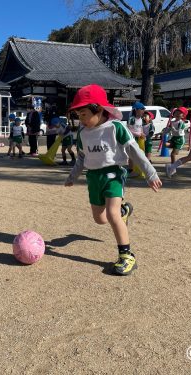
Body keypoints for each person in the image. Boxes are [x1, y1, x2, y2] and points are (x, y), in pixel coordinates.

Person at [64, 85, 162, 276]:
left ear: (99, 109)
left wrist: (150, 173)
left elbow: (135, 150)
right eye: (78, 115)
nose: (80, 119)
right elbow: (82, 158)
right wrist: (72, 176)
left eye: (83, 114)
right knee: (100, 219)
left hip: (114, 174)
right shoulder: (82, 133)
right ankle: (125, 210)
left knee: (112, 214)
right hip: (93, 178)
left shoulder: (116, 127)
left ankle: (127, 256)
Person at [126, 102, 146, 176]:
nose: (143, 111)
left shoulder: (141, 119)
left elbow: (140, 128)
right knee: (132, 155)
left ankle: (138, 169)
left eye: (144, 109)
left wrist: (143, 134)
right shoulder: (132, 119)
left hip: (140, 139)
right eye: (142, 109)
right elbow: (128, 130)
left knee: (140, 154)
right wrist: (137, 134)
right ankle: (131, 170)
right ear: (136, 110)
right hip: (133, 139)